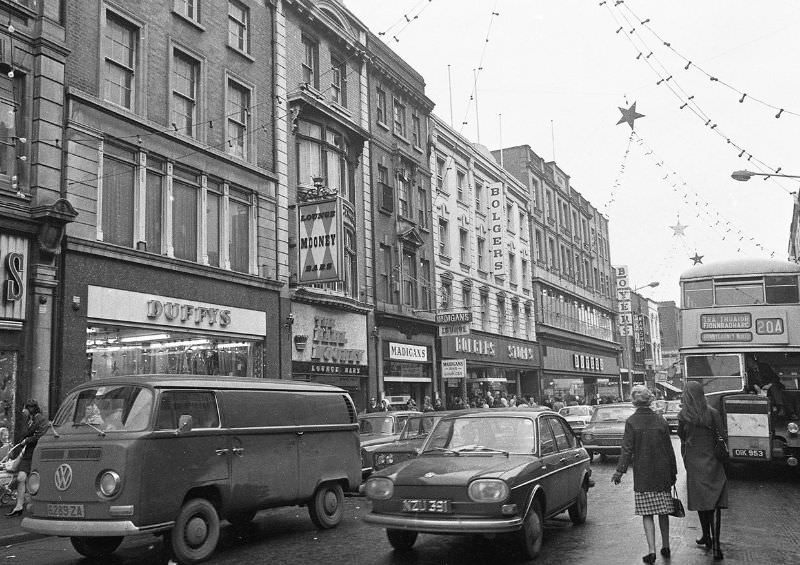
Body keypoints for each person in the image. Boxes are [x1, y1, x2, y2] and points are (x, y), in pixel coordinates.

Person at [612, 385, 677, 564]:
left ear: (634, 401)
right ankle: (666, 545)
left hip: (644, 474)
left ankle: (651, 550)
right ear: (649, 400)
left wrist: (620, 471)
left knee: (647, 513)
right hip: (663, 472)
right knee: (664, 511)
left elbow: (626, 450)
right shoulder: (661, 420)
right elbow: (669, 449)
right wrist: (674, 471)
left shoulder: (631, 422)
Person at [677, 381, 728, 561]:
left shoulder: (684, 415)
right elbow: (722, 434)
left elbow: (682, 436)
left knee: (701, 502)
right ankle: (716, 545)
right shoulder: (713, 413)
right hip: (713, 461)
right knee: (714, 503)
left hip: (694, 463)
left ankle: (706, 535)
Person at [7, 399, 47, 517]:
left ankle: (34, 504)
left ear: (30, 409)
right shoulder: (29, 420)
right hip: (28, 452)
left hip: (36, 452)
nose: (23, 411)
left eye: (25, 408)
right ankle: (19, 506)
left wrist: (27, 440)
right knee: (21, 477)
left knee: (33, 478)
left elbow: (40, 435)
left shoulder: (41, 419)